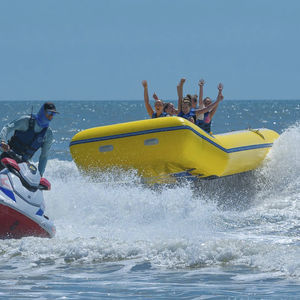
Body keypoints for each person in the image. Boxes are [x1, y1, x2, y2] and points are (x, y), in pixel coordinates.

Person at [0, 102, 59, 176]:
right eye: (49, 113)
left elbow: (44, 156)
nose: (51, 116)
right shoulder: (25, 121)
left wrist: (40, 175)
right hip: (8, 155)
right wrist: (2, 141)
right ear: (42, 112)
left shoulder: (48, 133)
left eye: (53, 114)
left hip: (23, 164)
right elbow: (6, 128)